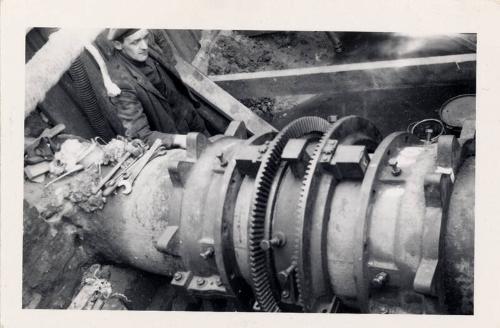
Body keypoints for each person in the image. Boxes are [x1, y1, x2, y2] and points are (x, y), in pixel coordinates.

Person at [106, 28, 208, 147]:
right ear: (118, 45)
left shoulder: (143, 47)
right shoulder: (120, 82)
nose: (144, 46)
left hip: (192, 119)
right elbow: (141, 136)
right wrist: (181, 140)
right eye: (135, 42)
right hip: (174, 140)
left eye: (145, 37)